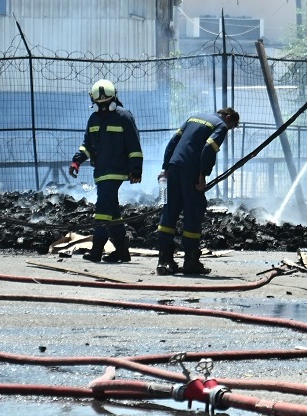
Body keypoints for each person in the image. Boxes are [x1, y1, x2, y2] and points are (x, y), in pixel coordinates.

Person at [156, 107, 240, 276]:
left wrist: (165, 168)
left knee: (169, 211)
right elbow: (209, 149)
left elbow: (173, 142)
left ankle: (164, 260)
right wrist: (203, 175)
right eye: (231, 126)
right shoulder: (220, 125)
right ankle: (190, 261)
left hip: (174, 167)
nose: (228, 130)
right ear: (228, 117)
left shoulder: (193, 117)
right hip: (191, 170)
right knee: (193, 211)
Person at [69, 79, 143, 263]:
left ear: (114, 98)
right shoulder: (93, 119)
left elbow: (134, 144)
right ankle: (122, 251)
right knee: (112, 210)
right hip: (101, 171)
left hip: (116, 170)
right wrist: (77, 161)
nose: (102, 108)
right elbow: (87, 145)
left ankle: (96, 250)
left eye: (105, 104)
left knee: (102, 209)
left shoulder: (124, 116)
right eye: (99, 104)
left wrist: (135, 169)